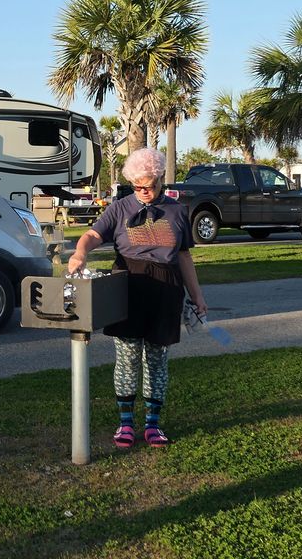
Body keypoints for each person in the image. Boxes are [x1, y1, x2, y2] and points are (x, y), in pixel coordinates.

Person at [67, 147, 207, 449]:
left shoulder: (176, 211)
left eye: (150, 185)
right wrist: (80, 252)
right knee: (127, 359)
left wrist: (197, 296)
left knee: (158, 360)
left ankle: (153, 425)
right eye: (137, 186)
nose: (143, 192)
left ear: (160, 179)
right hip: (127, 286)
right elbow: (92, 235)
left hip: (166, 288)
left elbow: (183, 257)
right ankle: (126, 423)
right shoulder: (119, 208)